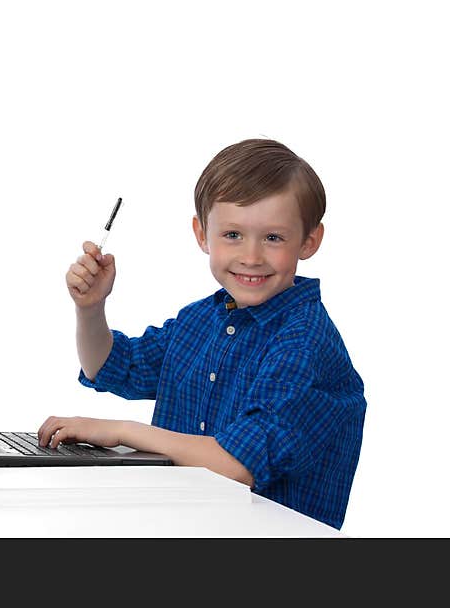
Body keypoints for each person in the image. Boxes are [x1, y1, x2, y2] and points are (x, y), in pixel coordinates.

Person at [37, 138, 366, 529]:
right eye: (233, 235)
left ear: (308, 241)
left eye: (273, 238)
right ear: (201, 234)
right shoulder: (202, 320)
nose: (252, 256)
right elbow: (108, 365)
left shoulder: (304, 342)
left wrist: (120, 431)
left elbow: (238, 466)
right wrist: (90, 308)